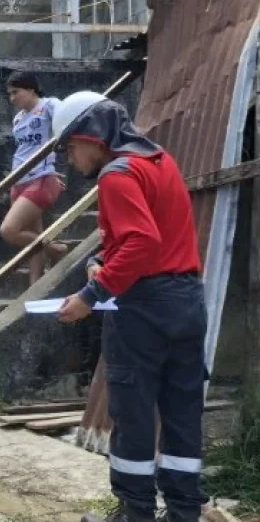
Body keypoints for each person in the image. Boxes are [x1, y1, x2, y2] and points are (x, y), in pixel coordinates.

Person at [52, 93, 206, 522]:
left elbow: (141, 242)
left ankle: (135, 513)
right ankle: (183, 512)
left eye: (69, 145)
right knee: (181, 411)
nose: (70, 156)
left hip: (144, 307)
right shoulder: (160, 162)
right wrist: (102, 259)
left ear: (91, 136)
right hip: (187, 300)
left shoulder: (116, 176)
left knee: (134, 413)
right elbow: (150, 237)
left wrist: (90, 296)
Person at [0, 72, 68, 284]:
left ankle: (56, 248)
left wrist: (50, 167)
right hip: (18, 179)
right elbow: (25, 148)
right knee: (32, 237)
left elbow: (67, 124)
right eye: (9, 94)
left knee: (9, 231)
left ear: (31, 89)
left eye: (16, 92)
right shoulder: (18, 118)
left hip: (40, 178)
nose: (12, 98)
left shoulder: (49, 106)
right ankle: (35, 285)